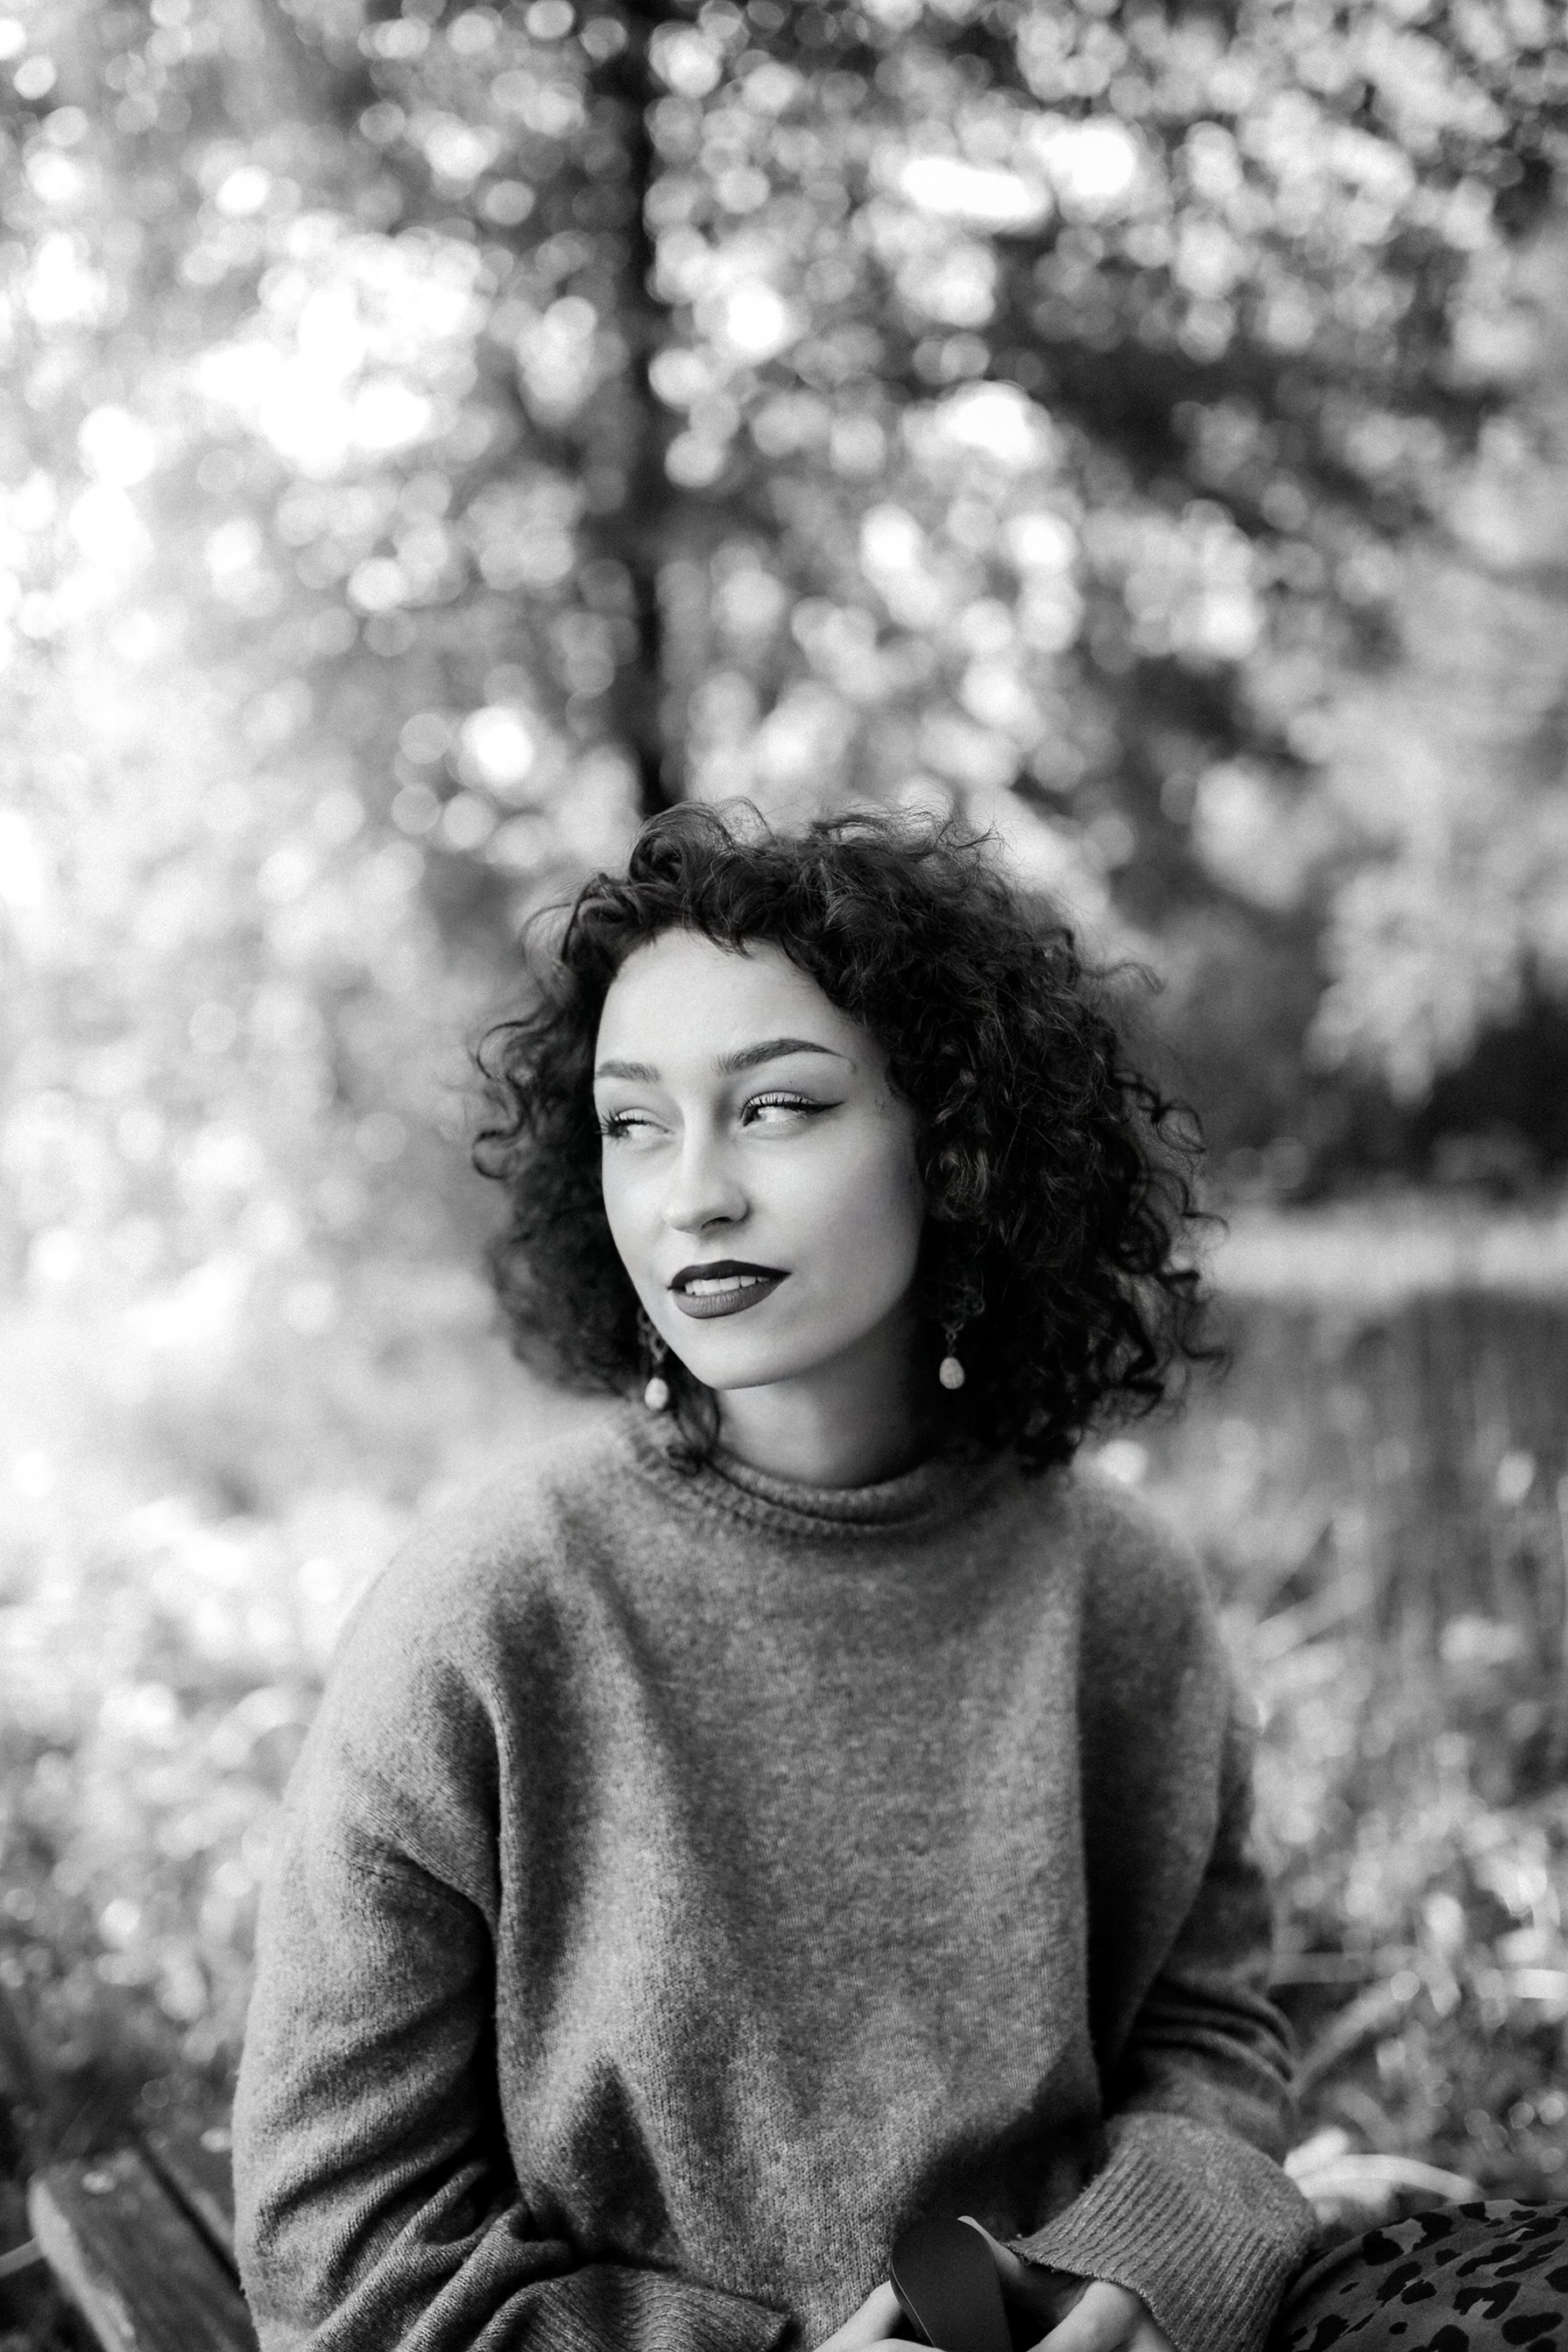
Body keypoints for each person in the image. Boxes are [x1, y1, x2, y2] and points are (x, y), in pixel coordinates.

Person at [232, 804, 1567, 2352]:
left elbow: (1206, 2031)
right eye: (633, 1122)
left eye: (777, 1107)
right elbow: (338, 2247)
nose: (692, 1193)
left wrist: (1143, 2269)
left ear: (956, 1141)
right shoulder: (483, 1618)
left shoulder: (1114, 1586)